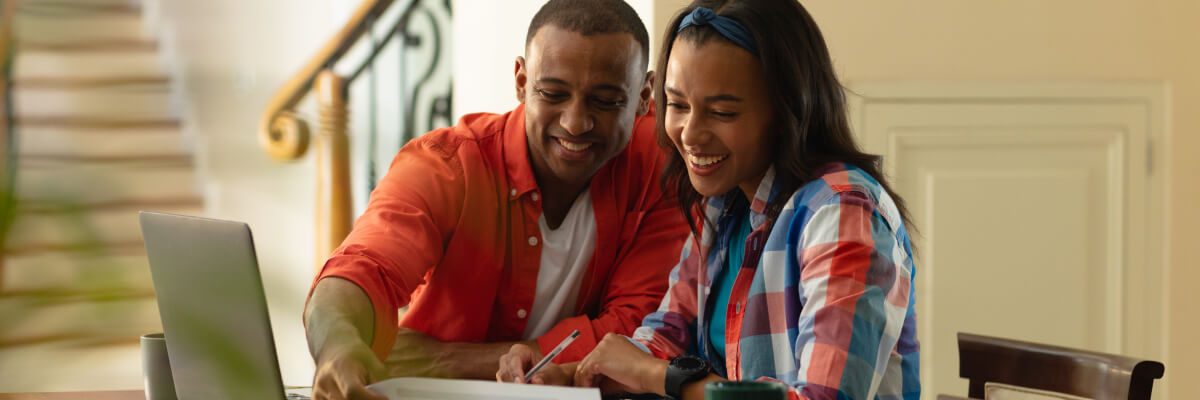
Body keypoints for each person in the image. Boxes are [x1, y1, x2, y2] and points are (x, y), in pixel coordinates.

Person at [497, 1, 921, 399]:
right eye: (677, 105)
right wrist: (572, 375)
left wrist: (661, 377)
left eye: (721, 112)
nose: (690, 134)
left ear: (786, 109)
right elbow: (662, 338)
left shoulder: (842, 211)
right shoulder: (722, 208)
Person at [303, 0, 689, 398]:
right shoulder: (449, 166)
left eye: (605, 101)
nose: (575, 122)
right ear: (521, 81)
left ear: (644, 95)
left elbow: (632, 332)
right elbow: (363, 267)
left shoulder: (661, 165)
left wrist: (448, 361)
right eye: (553, 93)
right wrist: (338, 346)